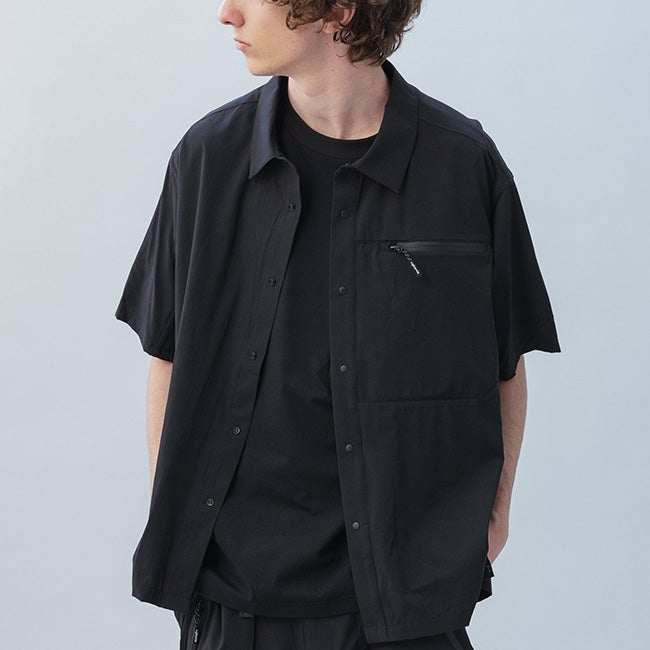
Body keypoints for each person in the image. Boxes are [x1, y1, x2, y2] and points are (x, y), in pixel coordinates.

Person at [114, 0, 561, 647]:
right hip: (235, 595)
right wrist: (179, 520)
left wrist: (496, 509)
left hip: (405, 596)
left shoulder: (463, 164)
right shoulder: (208, 159)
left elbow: (504, 358)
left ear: (338, 11)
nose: (227, 13)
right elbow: (169, 354)